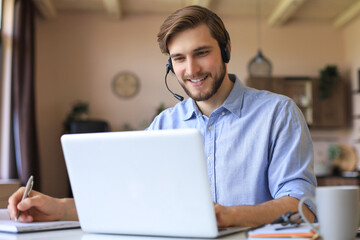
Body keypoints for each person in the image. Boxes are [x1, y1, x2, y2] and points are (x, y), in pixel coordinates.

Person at [8, 5, 316, 228]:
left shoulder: (278, 113)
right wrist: (59, 207)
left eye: (202, 52)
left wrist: (226, 216)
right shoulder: (163, 125)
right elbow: (129, 198)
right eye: (179, 59)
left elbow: (302, 205)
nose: (191, 69)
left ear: (226, 49)